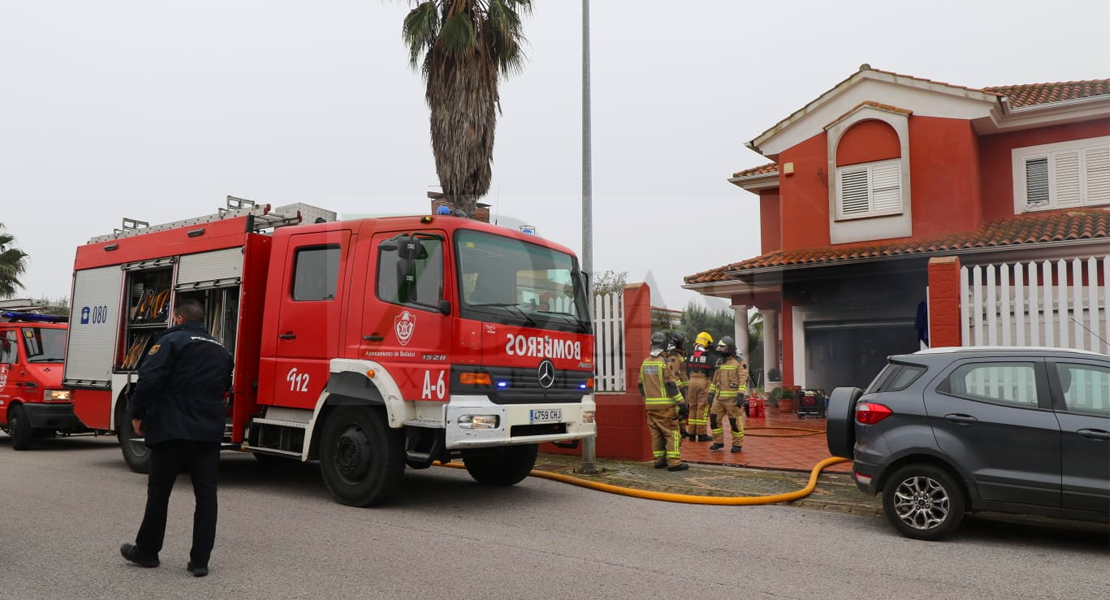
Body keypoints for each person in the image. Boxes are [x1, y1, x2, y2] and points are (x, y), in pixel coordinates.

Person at [120, 299, 233, 578]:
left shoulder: (171, 342)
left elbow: (150, 379)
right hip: (207, 434)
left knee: (160, 493)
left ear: (180, 319)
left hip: (171, 429)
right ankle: (200, 561)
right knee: (206, 496)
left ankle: (147, 553)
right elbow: (225, 386)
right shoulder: (221, 350)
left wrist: (136, 413)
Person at [638, 332, 690, 471]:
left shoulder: (645, 362)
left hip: (650, 407)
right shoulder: (665, 363)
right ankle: (674, 463)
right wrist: (681, 403)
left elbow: (640, 385)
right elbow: (671, 385)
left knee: (656, 435)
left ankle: (659, 460)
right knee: (672, 433)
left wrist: (646, 400)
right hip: (666, 407)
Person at [708, 336, 748, 453]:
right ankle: (718, 442)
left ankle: (737, 444)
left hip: (732, 399)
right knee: (714, 419)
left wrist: (740, 395)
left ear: (729, 348)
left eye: (723, 348)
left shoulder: (739, 362)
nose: (720, 350)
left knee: (734, 422)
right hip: (719, 398)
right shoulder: (720, 361)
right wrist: (711, 393)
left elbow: (743, 379)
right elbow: (715, 379)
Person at [684, 331, 718, 442]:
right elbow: (715, 370)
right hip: (704, 381)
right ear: (707, 343)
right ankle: (702, 434)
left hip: (691, 382)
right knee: (702, 408)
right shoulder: (711, 357)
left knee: (692, 407)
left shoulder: (690, 356)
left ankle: (692, 433)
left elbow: (687, 370)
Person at [664, 332, 691, 442]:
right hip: (679, 388)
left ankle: (683, 430)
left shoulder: (678, 354)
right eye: (683, 342)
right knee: (679, 410)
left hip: (684, 387)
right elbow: (674, 375)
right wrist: (680, 390)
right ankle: (679, 431)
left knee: (683, 411)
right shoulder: (674, 356)